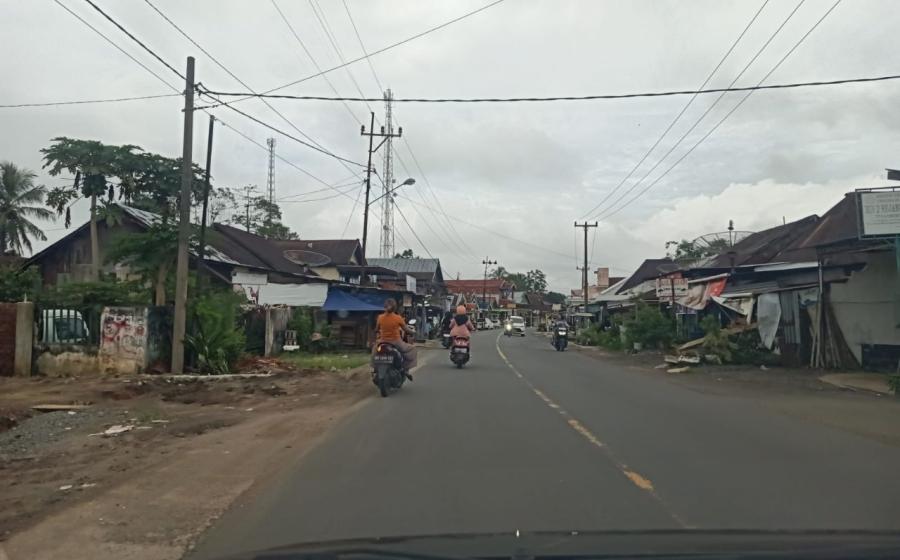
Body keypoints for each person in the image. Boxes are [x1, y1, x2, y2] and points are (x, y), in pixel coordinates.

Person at [374, 298, 417, 378]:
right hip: (396, 342)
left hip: (382, 342)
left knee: (375, 351)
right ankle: (405, 368)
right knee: (412, 349)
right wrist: (413, 332)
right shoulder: (398, 318)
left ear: (385, 307)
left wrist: (377, 333)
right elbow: (406, 329)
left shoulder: (380, 317)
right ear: (395, 307)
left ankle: (374, 369)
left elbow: (376, 329)